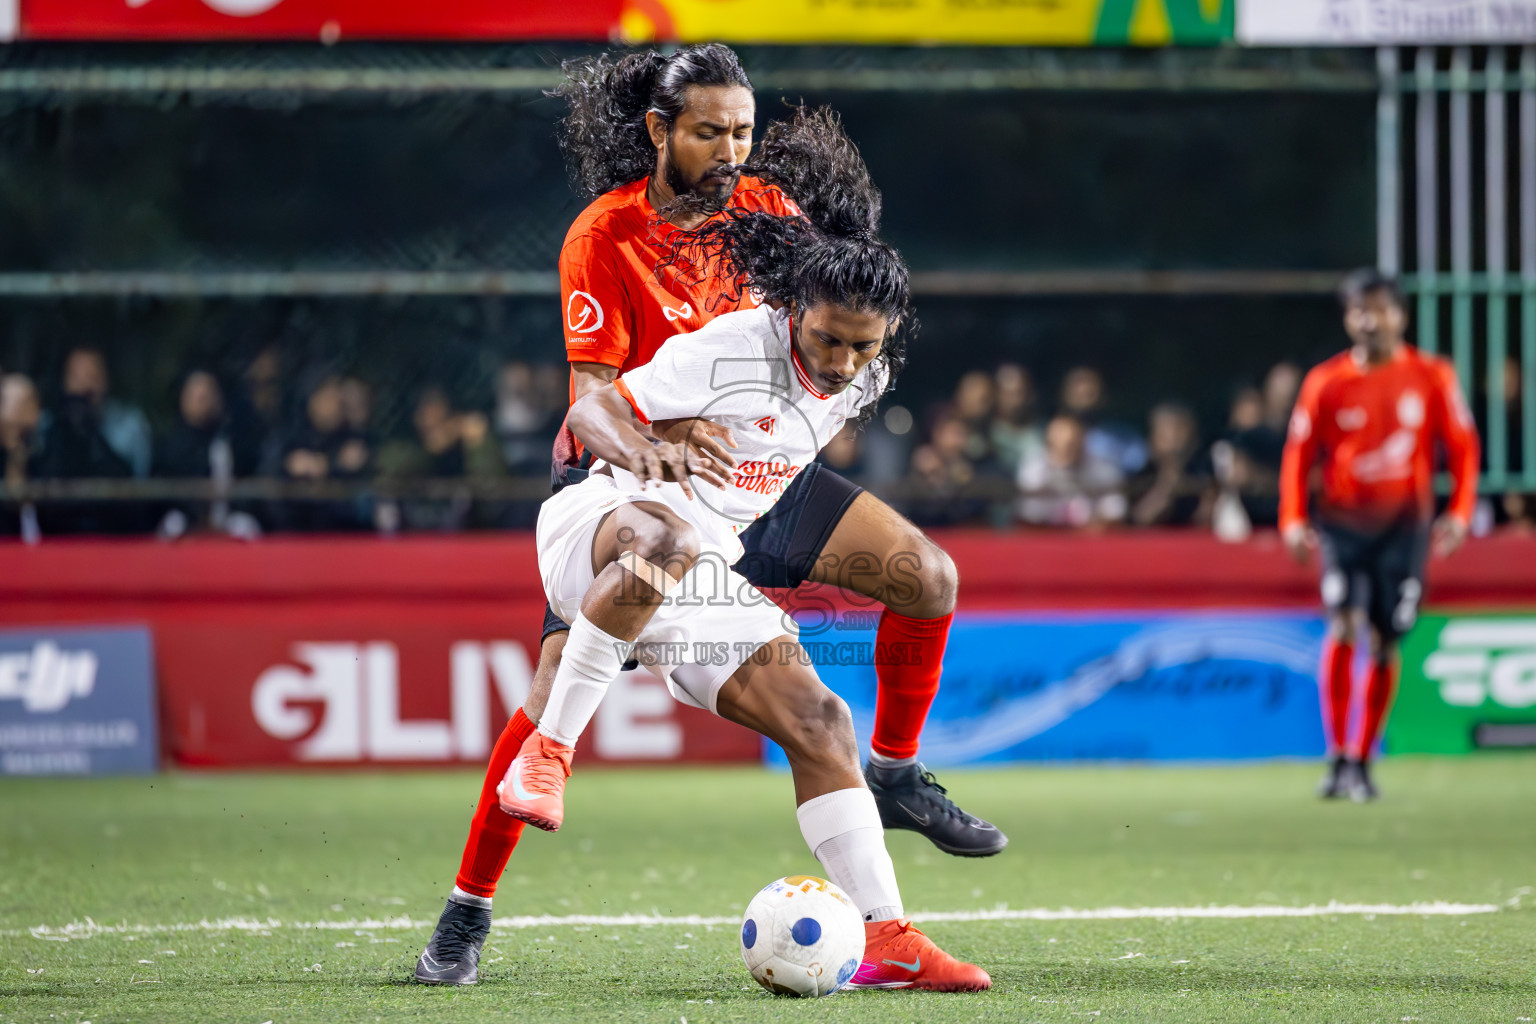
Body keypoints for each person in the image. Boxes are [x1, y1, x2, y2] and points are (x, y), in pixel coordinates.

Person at [413, 50, 1001, 986]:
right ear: (658, 130)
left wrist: (786, 416)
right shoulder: (604, 236)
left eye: (742, 130)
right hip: (633, 481)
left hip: (750, 473)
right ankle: (466, 912)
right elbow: (596, 398)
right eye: (709, 131)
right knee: (558, 679)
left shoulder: (771, 215)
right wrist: (661, 439)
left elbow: (834, 322)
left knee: (920, 582)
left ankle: (892, 783)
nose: (732, 150)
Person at [1281, 269, 1480, 802]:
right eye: (1359, 311)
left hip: (1404, 527)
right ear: (1349, 319)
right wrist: (1293, 518)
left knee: (1385, 638)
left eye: (1380, 309)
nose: (1371, 321)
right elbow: (1299, 455)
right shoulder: (1325, 382)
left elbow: (1463, 447)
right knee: (1343, 624)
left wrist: (1459, 513)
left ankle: (1363, 758)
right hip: (1343, 525)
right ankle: (1336, 756)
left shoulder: (1432, 376)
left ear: (1400, 315)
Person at [1016, 414, 1126, 527]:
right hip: (1045, 535)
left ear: (1082, 440)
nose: (1066, 449)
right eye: (1060, 443)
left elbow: (1115, 509)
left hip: (1091, 536)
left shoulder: (1104, 468)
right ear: (1049, 443)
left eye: (1071, 444)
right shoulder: (1034, 467)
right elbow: (1027, 512)